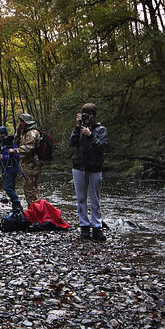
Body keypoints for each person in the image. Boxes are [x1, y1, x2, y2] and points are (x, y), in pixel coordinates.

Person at [69, 103, 108, 241]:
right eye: (86, 113)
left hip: (94, 167)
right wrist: (77, 127)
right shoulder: (79, 129)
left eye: (91, 113)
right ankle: (84, 226)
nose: (88, 116)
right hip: (79, 166)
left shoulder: (101, 129)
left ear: (94, 115)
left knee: (95, 199)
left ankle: (97, 227)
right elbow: (72, 143)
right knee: (81, 198)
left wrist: (90, 135)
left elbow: (101, 147)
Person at [8, 114, 42, 206]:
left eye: (21, 122)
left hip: (31, 164)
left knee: (31, 188)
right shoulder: (24, 132)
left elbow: (28, 148)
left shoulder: (32, 133)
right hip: (25, 164)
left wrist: (14, 151)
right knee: (27, 188)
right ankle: (32, 209)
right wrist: (18, 132)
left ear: (26, 122)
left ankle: (35, 210)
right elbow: (16, 142)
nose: (20, 124)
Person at [0, 126, 22, 212]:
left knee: (7, 188)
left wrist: (4, 157)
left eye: (3, 133)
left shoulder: (12, 142)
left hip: (12, 168)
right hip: (5, 169)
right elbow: (1, 156)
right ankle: (15, 207)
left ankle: (17, 203)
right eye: (0, 134)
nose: (1, 136)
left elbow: (16, 155)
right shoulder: (1, 144)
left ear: (6, 133)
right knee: (11, 187)